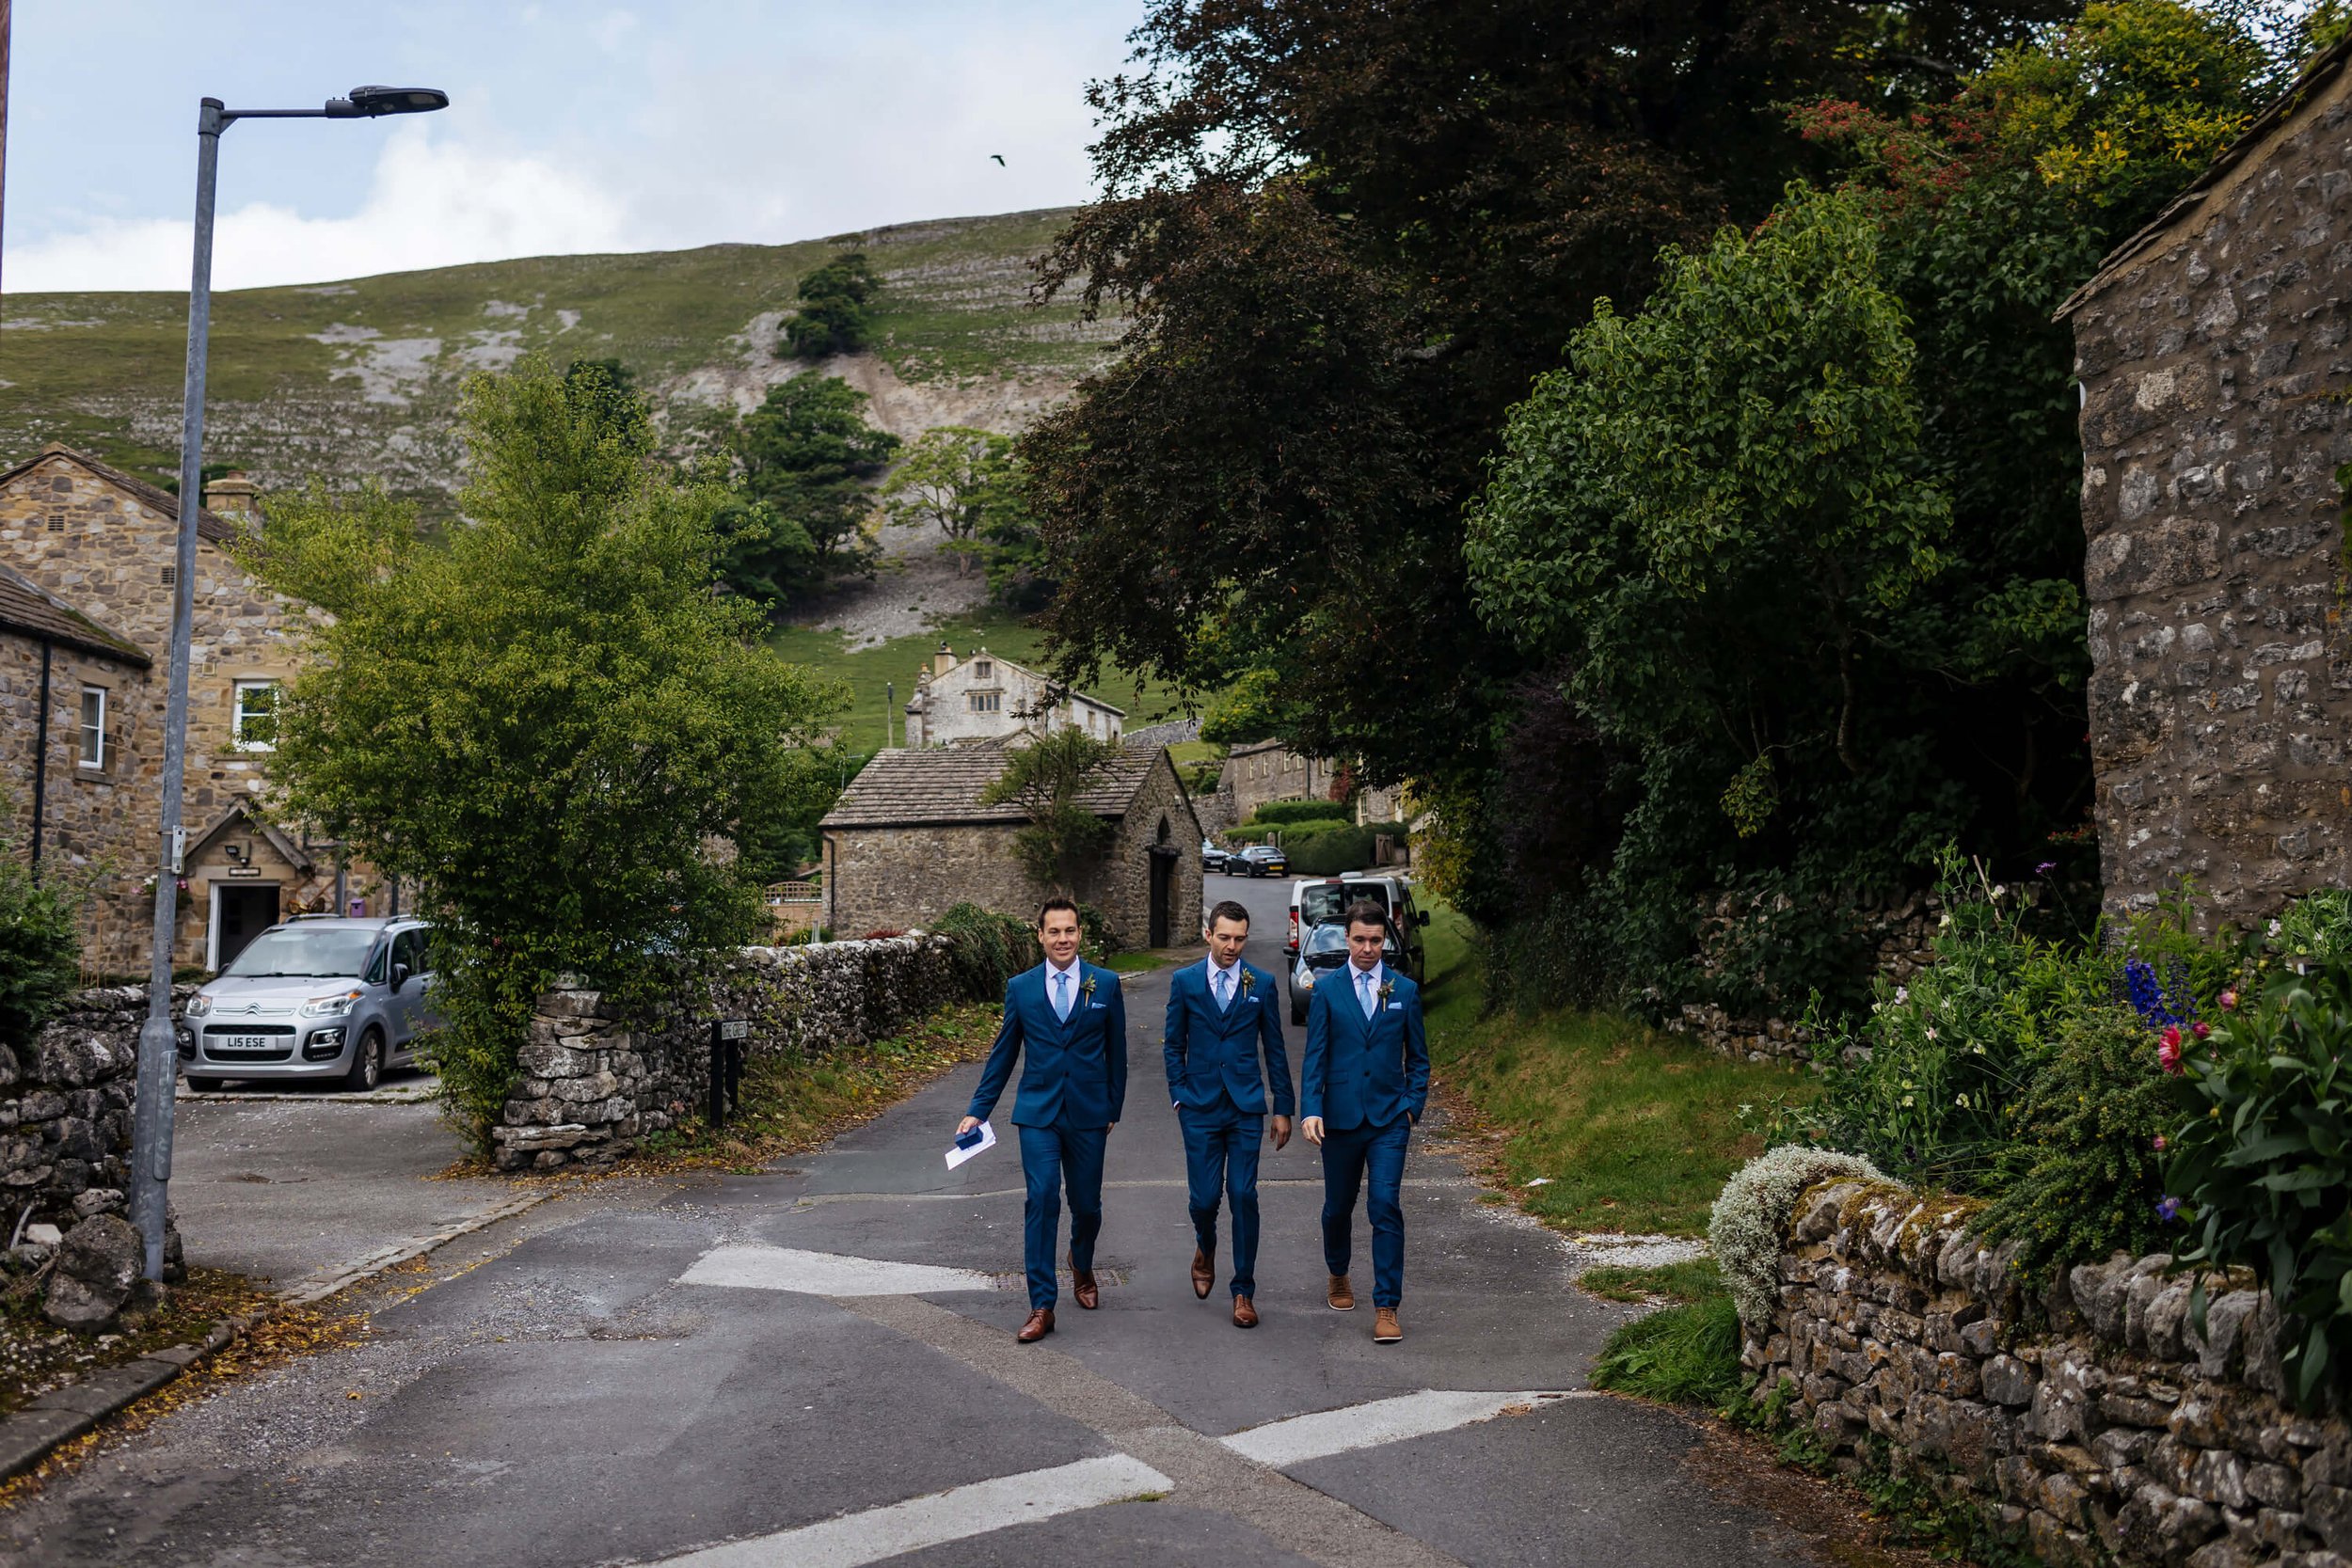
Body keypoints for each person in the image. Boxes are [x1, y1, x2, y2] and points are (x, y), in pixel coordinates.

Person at [960, 897, 1127, 1343]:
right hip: (1037, 1113)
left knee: (1087, 1206)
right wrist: (978, 1111)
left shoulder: (1105, 984)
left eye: (1069, 931)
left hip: (1090, 1113)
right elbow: (1003, 1054)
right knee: (1042, 1197)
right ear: (1040, 936)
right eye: (1054, 932)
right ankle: (1042, 1304)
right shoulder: (1022, 988)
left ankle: (1081, 1261)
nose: (1063, 939)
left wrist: (1113, 1108)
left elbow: (1118, 1055)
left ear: (1080, 934)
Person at [1299, 900, 1429, 1343]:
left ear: (1385, 940)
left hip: (1390, 1117)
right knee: (1338, 1207)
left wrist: (1413, 1104)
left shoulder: (1404, 991)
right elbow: (1314, 1055)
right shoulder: (1328, 989)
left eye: (1375, 940)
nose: (1368, 948)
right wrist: (1311, 1109)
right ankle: (1337, 1271)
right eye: (1359, 940)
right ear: (1347, 939)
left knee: (1385, 1206)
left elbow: (1420, 1059)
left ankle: (1387, 1305)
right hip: (1339, 1118)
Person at [1163, 899, 1293, 1327]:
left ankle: (1243, 1292)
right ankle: (1205, 1243)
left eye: (1239, 938)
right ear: (1208, 935)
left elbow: (1275, 1049)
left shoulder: (1261, 983)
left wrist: (1282, 1108)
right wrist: (1179, 1094)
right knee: (1203, 1200)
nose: (1232, 946)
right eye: (1224, 937)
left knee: (1243, 1195)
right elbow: (1172, 1043)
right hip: (1198, 1107)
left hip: (1244, 1108)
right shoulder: (1185, 982)